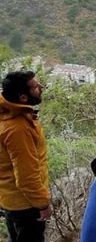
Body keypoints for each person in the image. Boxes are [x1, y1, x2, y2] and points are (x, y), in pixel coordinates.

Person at [0, 71, 50, 242]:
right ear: (23, 98)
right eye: (36, 87)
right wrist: (42, 204)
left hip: (12, 199)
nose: (41, 87)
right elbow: (26, 176)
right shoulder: (18, 129)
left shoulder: (8, 114)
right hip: (26, 205)